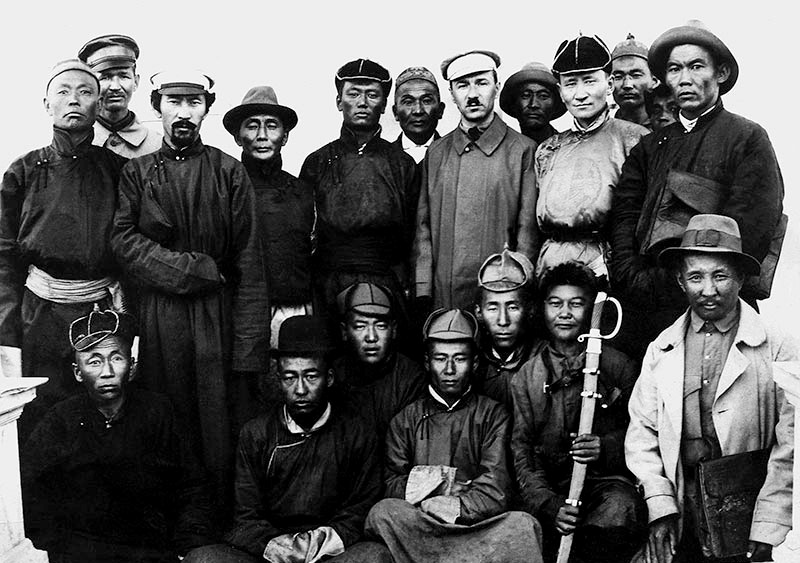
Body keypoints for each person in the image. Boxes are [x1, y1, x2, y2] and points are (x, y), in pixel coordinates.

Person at [111, 70, 269, 509]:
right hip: (161, 317)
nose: (184, 113)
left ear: (206, 108)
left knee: (219, 423)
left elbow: (249, 262)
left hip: (218, 319)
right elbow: (124, 243)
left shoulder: (228, 171)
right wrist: (197, 269)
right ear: (157, 105)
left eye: (194, 102)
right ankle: (171, 519)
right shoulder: (137, 173)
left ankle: (218, 519)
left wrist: (247, 350)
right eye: (174, 102)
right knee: (165, 415)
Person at [625, 214, 796, 563]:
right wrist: (660, 505)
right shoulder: (662, 349)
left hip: (747, 511)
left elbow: (791, 445)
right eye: (696, 277)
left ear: (741, 277)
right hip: (682, 507)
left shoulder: (777, 347)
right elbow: (642, 433)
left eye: (720, 276)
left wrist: (768, 524)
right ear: (680, 280)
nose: (708, 290)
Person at [610, 21, 784, 360]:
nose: (684, 79)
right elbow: (625, 215)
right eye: (674, 69)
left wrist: (689, 278)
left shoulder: (747, 138)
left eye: (696, 66)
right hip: (644, 307)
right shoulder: (650, 147)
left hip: (714, 304)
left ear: (721, 73)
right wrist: (633, 276)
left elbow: (752, 226)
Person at [184, 315, 391, 563]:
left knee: (374, 556)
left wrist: (315, 545)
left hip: (330, 554)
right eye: (290, 377)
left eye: (311, 376)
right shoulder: (256, 434)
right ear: (279, 379)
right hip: (272, 553)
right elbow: (245, 516)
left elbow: (360, 509)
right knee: (203, 558)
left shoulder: (357, 433)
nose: (300, 389)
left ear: (329, 378)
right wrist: (279, 547)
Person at [21, 307, 215, 563]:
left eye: (116, 358)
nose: (107, 371)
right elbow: (30, 489)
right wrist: (55, 549)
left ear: (132, 367)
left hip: (149, 550)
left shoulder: (158, 412)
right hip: (81, 552)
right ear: (78, 372)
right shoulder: (60, 420)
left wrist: (187, 544)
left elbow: (192, 485)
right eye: (94, 361)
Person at [0, 59, 127, 440]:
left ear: (98, 105)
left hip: (101, 314)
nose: (74, 100)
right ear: (47, 104)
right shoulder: (24, 171)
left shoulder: (120, 170)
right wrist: (8, 331)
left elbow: (131, 251)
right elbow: (4, 257)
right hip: (39, 316)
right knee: (40, 421)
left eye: (85, 92)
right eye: (64, 91)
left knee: (103, 416)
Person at [365, 309, 544, 563]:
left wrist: (453, 505)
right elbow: (391, 484)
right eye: (440, 359)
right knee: (382, 512)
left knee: (523, 524)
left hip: (474, 527)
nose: (449, 369)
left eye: (459, 359)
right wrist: (445, 484)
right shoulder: (405, 420)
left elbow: (495, 489)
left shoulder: (494, 415)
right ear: (427, 362)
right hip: (423, 524)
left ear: (475, 363)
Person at [511, 262, 645, 563]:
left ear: (591, 309)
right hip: (552, 489)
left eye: (576, 304)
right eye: (555, 303)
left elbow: (641, 431)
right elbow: (523, 451)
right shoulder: (526, 377)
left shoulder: (619, 366)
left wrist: (606, 447)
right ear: (542, 308)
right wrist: (549, 504)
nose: (565, 313)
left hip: (604, 485)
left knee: (619, 509)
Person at [516, 34, 648, 279]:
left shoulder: (635, 139)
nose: (580, 94)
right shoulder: (548, 149)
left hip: (607, 266)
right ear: (560, 91)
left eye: (589, 81)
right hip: (549, 266)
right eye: (570, 84)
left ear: (609, 84)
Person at [414, 50, 538, 311]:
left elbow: (526, 231)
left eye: (481, 83)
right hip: (445, 294)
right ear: (451, 94)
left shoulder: (523, 150)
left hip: (500, 296)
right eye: (462, 85)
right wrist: (423, 288)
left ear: (497, 87)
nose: (472, 94)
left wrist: (519, 287)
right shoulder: (436, 153)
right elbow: (423, 228)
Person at [299, 58, 418, 328]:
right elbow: (306, 234)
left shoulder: (402, 165)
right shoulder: (317, 162)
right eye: (353, 94)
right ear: (339, 101)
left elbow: (413, 235)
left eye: (372, 95)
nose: (362, 102)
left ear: (384, 105)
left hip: (386, 280)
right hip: (329, 282)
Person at [223, 86, 314, 350]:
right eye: (252, 126)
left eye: (272, 126)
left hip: (294, 310)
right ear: (238, 137)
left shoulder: (303, 191)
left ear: (284, 136)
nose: (262, 135)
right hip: (240, 312)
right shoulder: (224, 189)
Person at [333, 282, 425, 439]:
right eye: (360, 326)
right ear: (344, 331)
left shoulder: (411, 379)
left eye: (380, 326)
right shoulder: (334, 375)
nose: (371, 337)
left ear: (393, 329)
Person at [473, 245, 540, 410]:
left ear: (530, 310)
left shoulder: (544, 359)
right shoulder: (471, 362)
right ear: (479, 312)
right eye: (493, 308)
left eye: (512, 307)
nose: (503, 321)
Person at [77, 33, 162, 157]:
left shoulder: (157, 146)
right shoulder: (75, 144)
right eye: (105, 77)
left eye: (124, 76)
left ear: (136, 82)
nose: (115, 86)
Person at [499, 61, 566, 144]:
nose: (533, 104)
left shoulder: (568, 148)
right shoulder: (506, 148)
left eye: (543, 96)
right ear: (514, 103)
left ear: (555, 104)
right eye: (526, 95)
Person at [391, 66, 445, 163]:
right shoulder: (381, 158)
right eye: (408, 102)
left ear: (440, 110)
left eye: (426, 101)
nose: (418, 110)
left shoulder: (454, 154)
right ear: (395, 112)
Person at [611, 33, 659, 129]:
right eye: (618, 77)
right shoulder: (604, 131)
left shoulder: (667, 126)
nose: (627, 85)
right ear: (609, 84)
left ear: (654, 81)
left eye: (636, 75)